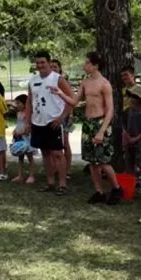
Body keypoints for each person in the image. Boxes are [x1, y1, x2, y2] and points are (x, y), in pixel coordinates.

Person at [53, 52, 122, 204]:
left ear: (95, 65)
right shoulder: (85, 82)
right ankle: (99, 191)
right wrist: (60, 93)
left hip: (100, 123)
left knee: (102, 161)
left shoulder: (104, 84)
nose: (84, 65)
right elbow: (74, 101)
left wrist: (102, 131)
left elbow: (110, 110)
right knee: (91, 161)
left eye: (87, 63)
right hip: (88, 123)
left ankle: (117, 188)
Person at [26, 51, 74, 195]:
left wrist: (62, 117)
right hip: (37, 122)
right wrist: (28, 122)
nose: (40, 65)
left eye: (43, 62)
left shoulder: (58, 79)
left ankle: (63, 184)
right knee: (45, 153)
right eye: (37, 63)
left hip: (53, 122)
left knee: (57, 153)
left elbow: (72, 99)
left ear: (48, 62)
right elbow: (29, 101)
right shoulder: (32, 80)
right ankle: (50, 182)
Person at [123, 88, 141, 194]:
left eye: (134, 97)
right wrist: (126, 134)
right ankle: (131, 184)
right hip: (129, 140)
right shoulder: (128, 111)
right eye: (131, 97)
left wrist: (136, 138)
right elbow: (124, 124)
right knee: (129, 163)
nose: (131, 99)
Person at [50, 59, 74, 181]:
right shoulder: (48, 81)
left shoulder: (63, 81)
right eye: (51, 66)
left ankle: (67, 169)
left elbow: (71, 100)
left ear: (60, 68)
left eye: (55, 66)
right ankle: (56, 168)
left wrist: (69, 115)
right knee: (54, 145)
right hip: (53, 117)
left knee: (65, 143)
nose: (53, 69)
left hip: (65, 116)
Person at [11, 94, 36, 184]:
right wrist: (15, 131)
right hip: (19, 138)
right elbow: (18, 124)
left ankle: (31, 176)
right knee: (20, 157)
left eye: (19, 103)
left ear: (25, 103)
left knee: (30, 157)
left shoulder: (28, 114)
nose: (17, 105)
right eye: (16, 103)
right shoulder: (18, 113)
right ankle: (20, 175)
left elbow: (30, 127)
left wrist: (23, 132)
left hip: (27, 138)